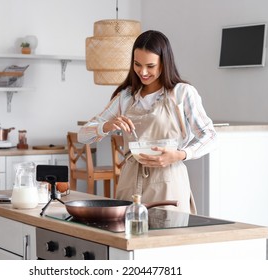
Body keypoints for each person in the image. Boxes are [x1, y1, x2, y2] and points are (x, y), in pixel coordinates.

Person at [78, 30, 217, 214]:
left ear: (164, 63)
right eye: (137, 64)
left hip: (168, 182)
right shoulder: (125, 97)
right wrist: (106, 125)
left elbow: (210, 136)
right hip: (129, 181)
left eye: (150, 66)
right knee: (128, 239)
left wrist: (181, 154)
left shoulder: (182, 93)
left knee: (166, 238)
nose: (142, 72)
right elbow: (83, 135)